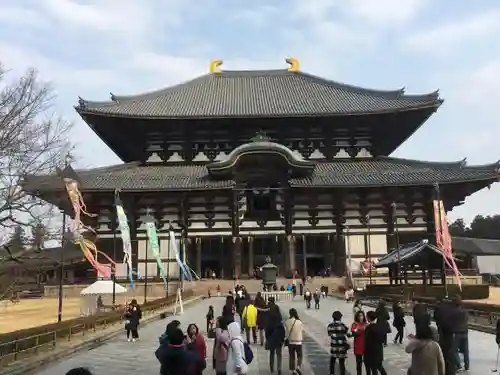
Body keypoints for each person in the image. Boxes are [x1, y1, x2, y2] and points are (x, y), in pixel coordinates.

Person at [364, 311, 387, 375]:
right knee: (379, 367)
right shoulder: (379, 327)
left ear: (368, 318)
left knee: (372, 369)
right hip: (379, 351)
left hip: (370, 353)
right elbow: (383, 339)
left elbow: (366, 341)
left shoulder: (368, 328)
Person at [265, 304, 285, 375]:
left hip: (271, 338)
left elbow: (267, 330)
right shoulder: (279, 319)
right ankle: (279, 368)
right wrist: (282, 339)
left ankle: (271, 367)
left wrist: (267, 337)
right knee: (279, 354)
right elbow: (283, 330)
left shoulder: (269, 319)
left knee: (271, 353)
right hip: (278, 339)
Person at [327, 310, 349, 375]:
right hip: (342, 347)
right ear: (340, 317)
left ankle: (332, 373)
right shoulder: (343, 325)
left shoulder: (330, 326)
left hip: (334, 347)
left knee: (332, 362)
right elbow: (346, 333)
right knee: (342, 363)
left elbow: (329, 334)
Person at [284, 308, 304, 375]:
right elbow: (302, 331)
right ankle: (298, 366)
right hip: (298, 341)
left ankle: (293, 371)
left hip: (291, 342)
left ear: (290, 313)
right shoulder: (300, 322)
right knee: (300, 355)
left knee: (292, 356)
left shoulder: (287, 321)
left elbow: (286, 332)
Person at [453, 296, 469, 371]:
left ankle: (458, 364)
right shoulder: (465, 311)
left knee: (454, 350)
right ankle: (467, 365)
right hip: (465, 332)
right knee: (466, 350)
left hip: (457, 333)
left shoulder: (454, 312)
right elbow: (466, 319)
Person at [351, 310, 368, 375]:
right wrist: (360, 329)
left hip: (366, 345)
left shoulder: (366, 324)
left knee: (367, 364)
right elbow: (354, 333)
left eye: (362, 315)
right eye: (359, 316)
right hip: (358, 345)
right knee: (358, 363)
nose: (361, 317)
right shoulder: (354, 324)